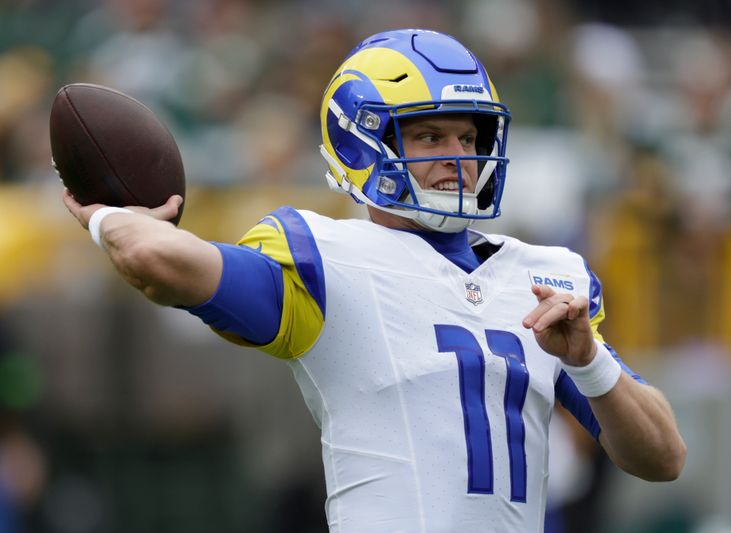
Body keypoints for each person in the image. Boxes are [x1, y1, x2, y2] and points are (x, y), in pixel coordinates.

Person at [63, 29, 686, 532]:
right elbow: (158, 263)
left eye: (469, 137)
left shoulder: (544, 275)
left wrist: (589, 361)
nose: (459, 157)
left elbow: (663, 458)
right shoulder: (324, 258)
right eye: (430, 135)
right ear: (361, 142)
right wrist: (112, 217)